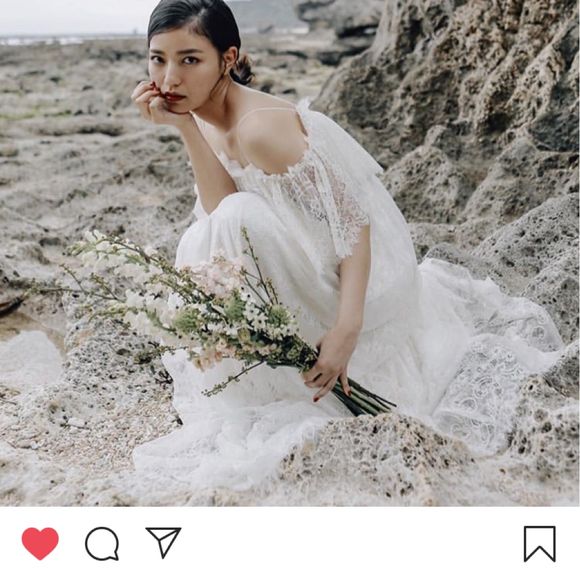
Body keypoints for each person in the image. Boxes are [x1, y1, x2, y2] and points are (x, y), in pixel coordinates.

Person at [129, 0, 566, 493]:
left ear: (227, 59)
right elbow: (219, 207)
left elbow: (354, 224)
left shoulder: (260, 129)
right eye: (158, 59)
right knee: (209, 229)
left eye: (190, 59)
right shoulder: (202, 113)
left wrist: (345, 330)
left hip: (351, 275)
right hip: (294, 256)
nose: (169, 78)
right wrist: (186, 128)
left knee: (231, 221)